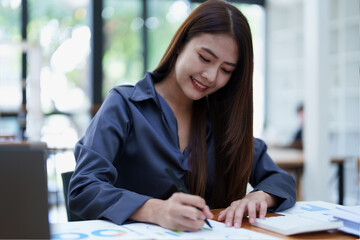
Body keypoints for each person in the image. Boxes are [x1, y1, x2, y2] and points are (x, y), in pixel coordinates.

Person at [69, 0, 296, 232]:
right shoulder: (125, 105)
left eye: (226, 70)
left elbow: (280, 180)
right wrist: (155, 210)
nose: (210, 75)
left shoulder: (223, 122)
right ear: (181, 44)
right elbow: (84, 188)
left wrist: (259, 197)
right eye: (205, 58)